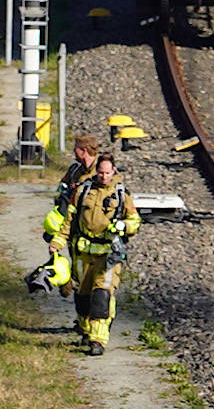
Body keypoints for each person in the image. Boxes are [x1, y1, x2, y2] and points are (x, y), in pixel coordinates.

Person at [53, 151, 140, 355]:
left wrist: (123, 226)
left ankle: (98, 340)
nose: (103, 176)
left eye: (107, 173)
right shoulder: (83, 190)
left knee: (102, 296)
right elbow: (70, 219)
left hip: (108, 256)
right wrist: (58, 240)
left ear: (113, 171)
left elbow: (135, 221)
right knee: (83, 296)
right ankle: (85, 330)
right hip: (83, 253)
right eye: (101, 172)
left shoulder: (122, 194)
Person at [27, 134, 98, 300]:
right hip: (72, 226)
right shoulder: (74, 170)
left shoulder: (101, 172)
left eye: (75, 148)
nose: (73, 151)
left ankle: (81, 293)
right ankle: (70, 283)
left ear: (83, 150)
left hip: (92, 229)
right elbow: (62, 193)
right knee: (73, 265)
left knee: (91, 276)